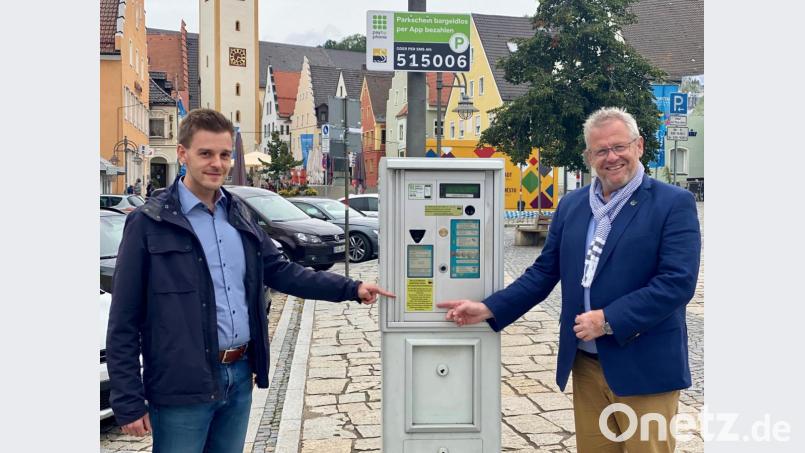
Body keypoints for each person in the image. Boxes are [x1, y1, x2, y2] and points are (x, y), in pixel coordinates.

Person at [107, 108, 395, 453]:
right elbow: (124, 318)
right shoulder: (148, 222)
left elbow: (281, 271)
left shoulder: (238, 214)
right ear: (183, 154)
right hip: (180, 385)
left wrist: (351, 288)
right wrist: (128, 398)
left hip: (238, 376)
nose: (217, 163)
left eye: (225, 154)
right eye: (206, 153)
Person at [437, 107, 700, 453]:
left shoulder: (672, 203)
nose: (612, 157)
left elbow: (677, 282)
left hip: (645, 367)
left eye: (619, 146)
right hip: (587, 365)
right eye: (601, 150)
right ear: (589, 156)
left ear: (639, 146)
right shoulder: (573, 205)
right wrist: (488, 308)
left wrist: (608, 320)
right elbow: (544, 272)